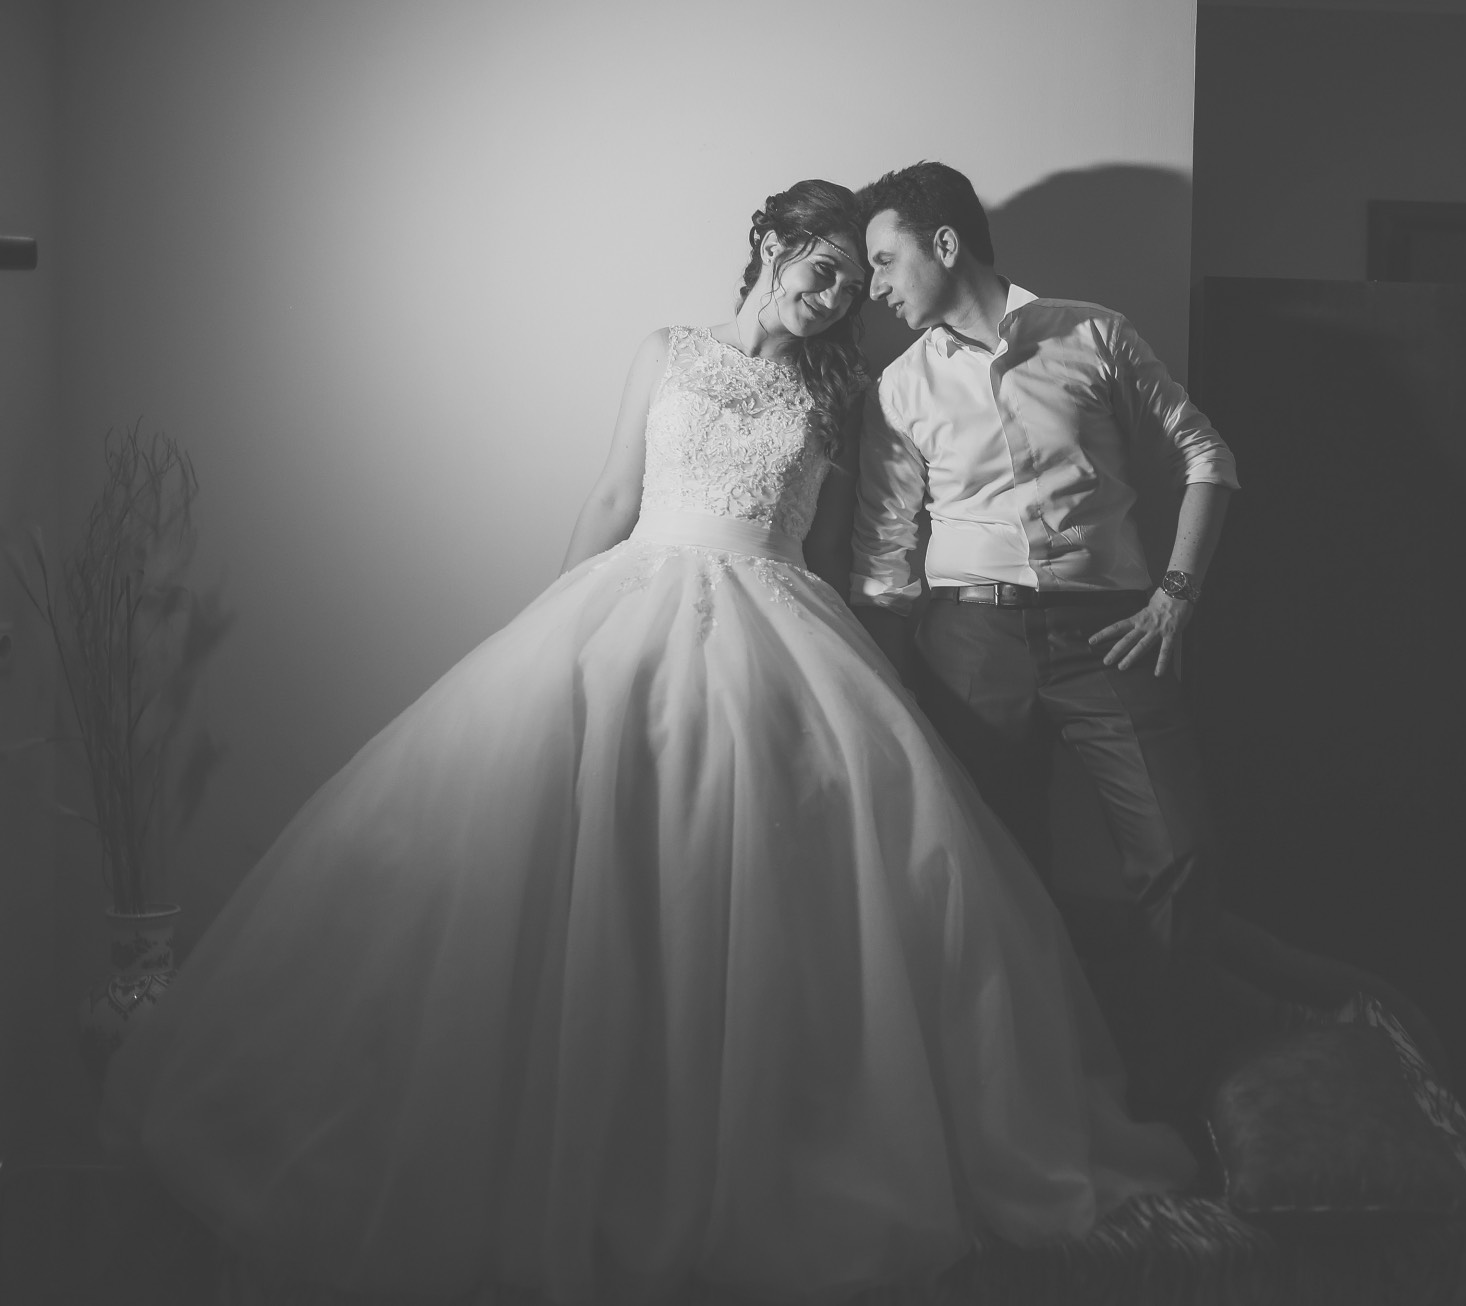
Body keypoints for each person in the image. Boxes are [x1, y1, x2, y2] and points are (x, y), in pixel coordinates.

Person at [102, 179, 1194, 1306]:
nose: (836, 298)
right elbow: (614, 492)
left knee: (775, 881)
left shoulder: (844, 391)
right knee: (569, 865)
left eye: (851, 282)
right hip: (635, 598)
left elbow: (839, 547)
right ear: (769, 245)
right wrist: (545, 627)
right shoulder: (666, 350)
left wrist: (886, 672)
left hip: (780, 623)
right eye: (822, 270)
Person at [848, 161, 1240, 1121]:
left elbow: (1207, 454)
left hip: (1114, 633)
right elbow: (884, 558)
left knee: (1179, 850)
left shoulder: (1092, 333)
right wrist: (886, 692)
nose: (874, 287)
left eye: (885, 260)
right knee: (997, 876)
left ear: (946, 244)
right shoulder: (900, 387)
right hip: (969, 644)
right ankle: (1022, 1104)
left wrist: (1176, 596)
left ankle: (1171, 1103)